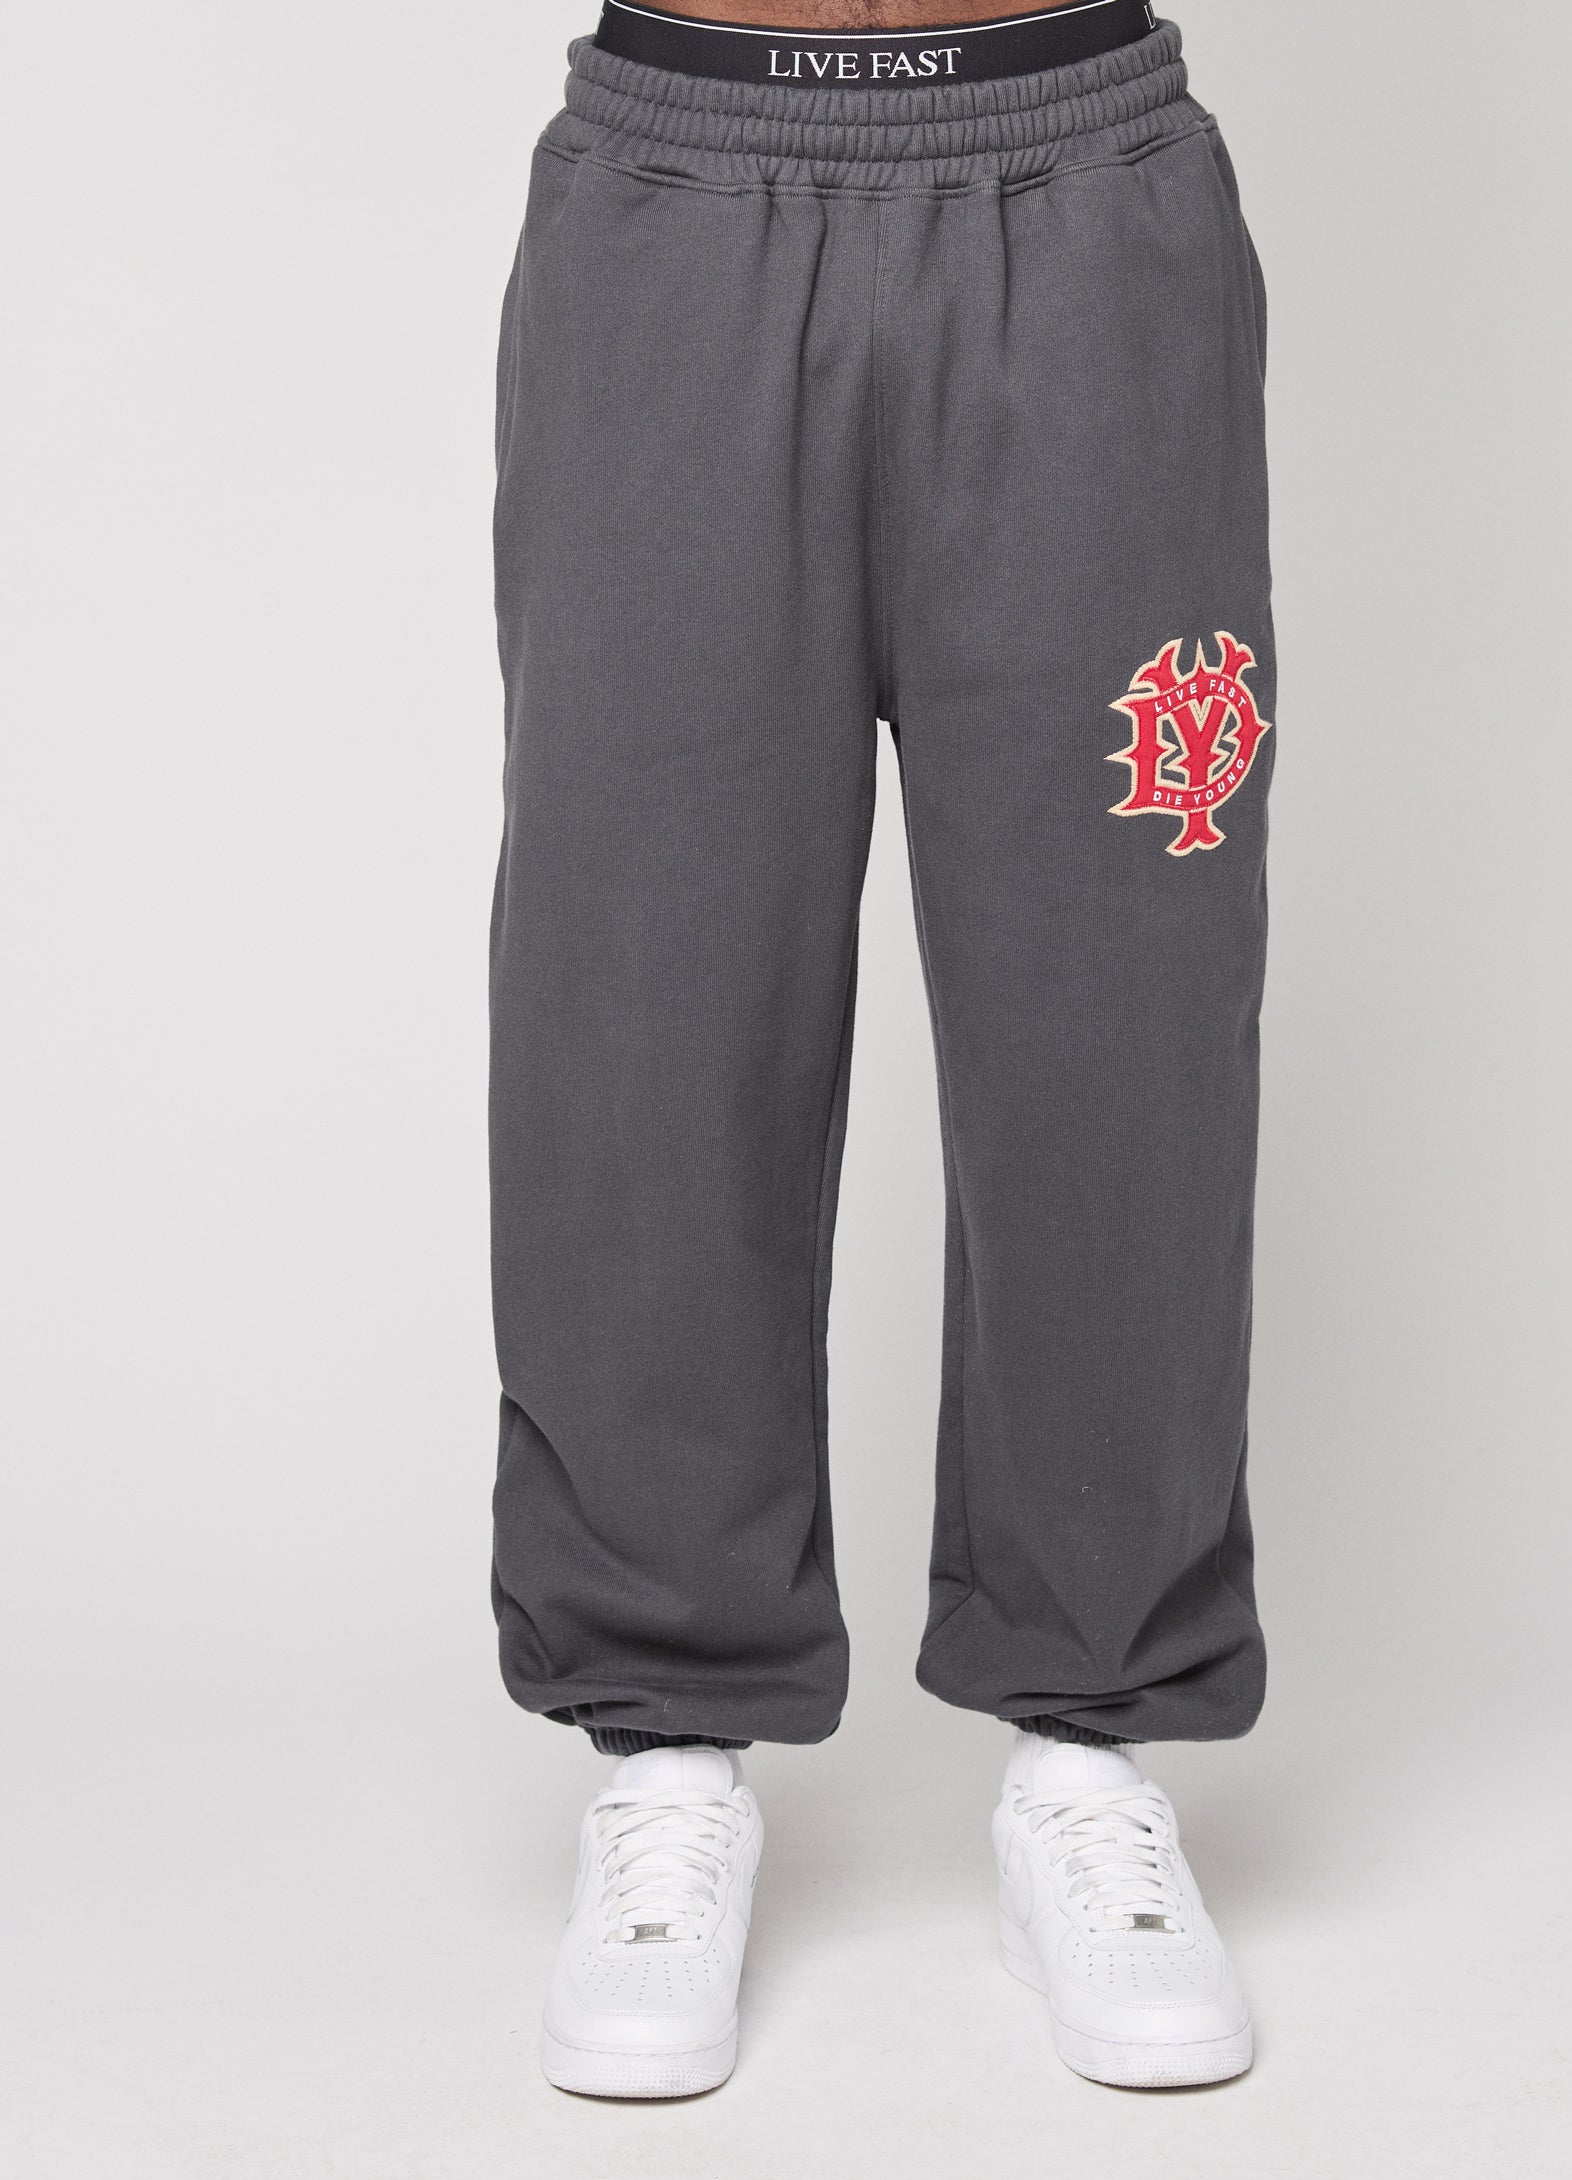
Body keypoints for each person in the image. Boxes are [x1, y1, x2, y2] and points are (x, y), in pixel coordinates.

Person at [490, 0, 1272, 2097]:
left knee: (1117, 1000)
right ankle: (665, 1741)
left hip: (1086, 193)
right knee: (642, 999)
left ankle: (1089, 1746)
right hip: (675, 190)